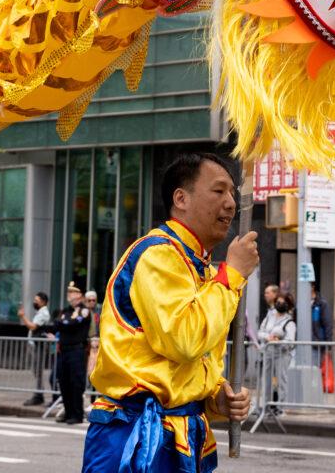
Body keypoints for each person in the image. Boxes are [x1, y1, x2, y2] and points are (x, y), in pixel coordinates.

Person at [82, 151, 257, 473]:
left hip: (180, 431)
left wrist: (217, 397)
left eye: (232, 193)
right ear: (181, 198)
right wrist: (232, 274)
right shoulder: (160, 254)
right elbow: (184, 340)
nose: (231, 203)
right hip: (136, 435)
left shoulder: (198, 265)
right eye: (219, 191)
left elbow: (191, 360)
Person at [52, 281, 92, 424]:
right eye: (69, 292)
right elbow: (56, 324)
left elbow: (74, 324)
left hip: (77, 350)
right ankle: (68, 413)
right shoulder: (66, 311)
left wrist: (65, 323)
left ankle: (77, 414)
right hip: (64, 351)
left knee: (76, 382)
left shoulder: (84, 311)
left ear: (80, 295)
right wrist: (65, 323)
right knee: (64, 381)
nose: (70, 295)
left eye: (73, 292)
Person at [261, 293, 296, 413]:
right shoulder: (269, 317)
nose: (280, 304)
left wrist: (278, 341)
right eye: (278, 302)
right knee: (266, 380)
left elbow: (290, 341)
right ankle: (266, 406)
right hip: (268, 353)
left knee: (282, 380)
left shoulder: (289, 322)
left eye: (283, 302)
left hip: (282, 354)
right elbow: (260, 332)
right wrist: (268, 337)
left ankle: (281, 407)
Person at [19, 291, 52, 406]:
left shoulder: (44, 313)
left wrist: (23, 317)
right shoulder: (39, 312)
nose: (34, 303)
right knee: (36, 370)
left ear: (43, 302)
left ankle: (39, 395)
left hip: (40, 346)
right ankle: (39, 393)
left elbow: (33, 327)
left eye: (36, 301)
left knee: (38, 370)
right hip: (35, 345)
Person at [84, 289, 101, 377]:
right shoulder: (83, 311)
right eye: (89, 300)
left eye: (93, 300)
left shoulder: (100, 310)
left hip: (97, 341)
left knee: (95, 364)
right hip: (85, 341)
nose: (92, 302)